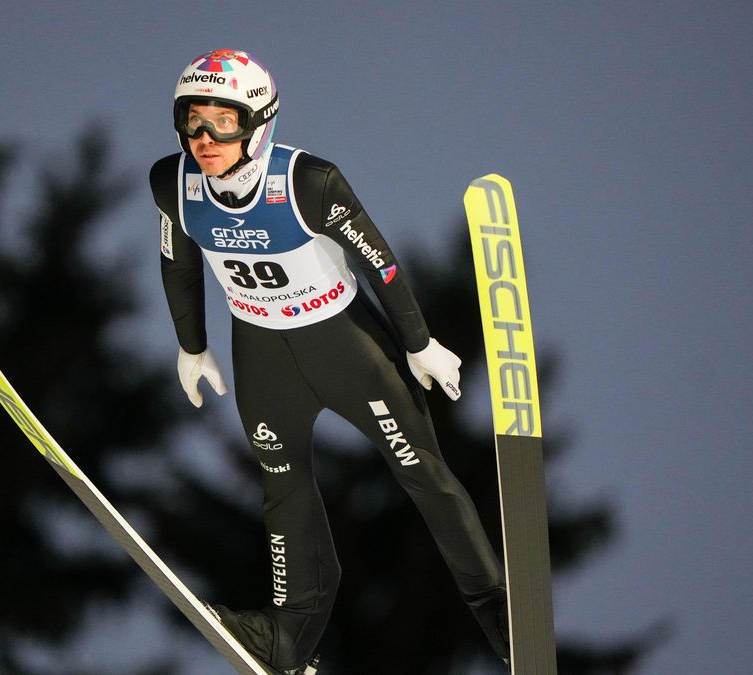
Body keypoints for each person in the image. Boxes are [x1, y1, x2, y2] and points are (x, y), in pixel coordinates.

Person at [151, 49, 509, 673]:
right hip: (262, 350)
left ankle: (501, 613)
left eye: (223, 122)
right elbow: (178, 262)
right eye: (192, 121)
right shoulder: (172, 183)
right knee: (283, 491)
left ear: (258, 123)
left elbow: (381, 261)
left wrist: (418, 342)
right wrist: (190, 344)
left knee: (421, 472)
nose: (204, 139)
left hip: (345, 344)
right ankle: (289, 640)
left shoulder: (309, 183)